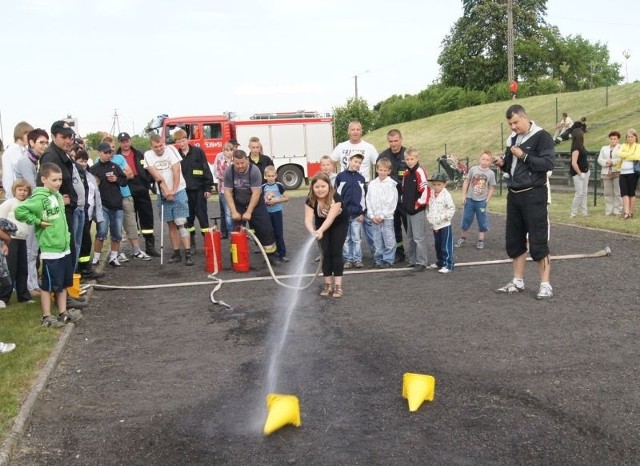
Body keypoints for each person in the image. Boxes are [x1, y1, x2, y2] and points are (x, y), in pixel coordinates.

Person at [493, 104, 556, 299]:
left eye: (515, 122)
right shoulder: (512, 138)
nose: (513, 127)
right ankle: (517, 281)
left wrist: (525, 155)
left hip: (534, 194)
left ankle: (545, 285)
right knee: (515, 239)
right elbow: (511, 167)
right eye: (510, 124)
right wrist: (502, 164)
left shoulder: (542, 136)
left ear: (524, 117)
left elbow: (547, 164)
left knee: (537, 239)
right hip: (514, 194)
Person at [15, 162, 82, 327]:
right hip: (50, 249)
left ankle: (63, 312)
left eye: (60, 179)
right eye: (54, 180)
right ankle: (46, 316)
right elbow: (20, 211)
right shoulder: (39, 198)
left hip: (63, 247)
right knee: (49, 285)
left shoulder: (58, 196)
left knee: (64, 283)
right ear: (44, 179)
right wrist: (37, 221)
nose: (58, 183)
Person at [145, 134, 194, 265]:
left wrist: (173, 190)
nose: (159, 148)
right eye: (156, 147)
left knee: (181, 222)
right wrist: (166, 191)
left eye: (161, 145)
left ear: (163, 143)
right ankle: (176, 252)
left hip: (179, 190)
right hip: (163, 193)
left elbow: (176, 170)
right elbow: (156, 175)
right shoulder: (148, 155)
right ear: (151, 146)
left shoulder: (171, 150)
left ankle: (188, 253)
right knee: (171, 223)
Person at [331, 120, 379, 255]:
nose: (355, 132)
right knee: (345, 225)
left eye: (358, 129)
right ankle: (342, 254)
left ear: (361, 131)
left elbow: (379, 164)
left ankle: (376, 253)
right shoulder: (341, 146)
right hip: (346, 188)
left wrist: (375, 183)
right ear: (348, 131)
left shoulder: (369, 147)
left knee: (367, 222)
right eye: (353, 129)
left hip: (363, 187)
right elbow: (331, 162)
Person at [223, 149, 278, 264]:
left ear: (246, 160)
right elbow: (227, 192)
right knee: (236, 230)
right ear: (233, 161)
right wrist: (234, 211)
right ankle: (235, 257)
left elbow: (256, 193)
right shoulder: (229, 171)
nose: (240, 166)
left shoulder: (254, 170)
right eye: (237, 163)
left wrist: (248, 212)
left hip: (256, 203)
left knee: (265, 228)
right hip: (238, 203)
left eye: (242, 163)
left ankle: (271, 256)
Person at [102, 136, 151, 262]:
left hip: (125, 194)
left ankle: (136, 250)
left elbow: (129, 174)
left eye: (113, 148)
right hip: (110, 198)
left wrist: (117, 177)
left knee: (131, 223)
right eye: (108, 149)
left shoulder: (120, 158)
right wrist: (121, 174)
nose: (111, 151)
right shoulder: (99, 161)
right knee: (116, 226)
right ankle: (118, 252)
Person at [38, 121, 78, 272]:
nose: (68, 140)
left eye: (70, 136)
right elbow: (43, 186)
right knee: (60, 255)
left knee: (68, 252)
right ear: (53, 137)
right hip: (57, 214)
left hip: (65, 211)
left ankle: (65, 290)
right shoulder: (51, 156)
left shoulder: (61, 154)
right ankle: (59, 291)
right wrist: (60, 200)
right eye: (64, 137)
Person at [304, 173, 349, 298]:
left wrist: (321, 231)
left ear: (328, 186)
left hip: (339, 223)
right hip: (321, 224)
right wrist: (312, 231)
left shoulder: (336, 198)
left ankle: (338, 286)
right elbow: (308, 219)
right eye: (317, 187)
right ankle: (328, 285)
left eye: (323, 186)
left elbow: (329, 219)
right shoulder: (310, 199)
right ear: (312, 188)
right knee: (325, 253)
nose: (320, 189)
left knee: (335, 251)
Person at [15, 128, 49, 296]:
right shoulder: (25, 162)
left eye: (46, 142)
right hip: (27, 210)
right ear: (31, 142)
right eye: (41, 142)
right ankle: (30, 285)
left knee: (34, 249)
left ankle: (33, 283)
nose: (44, 145)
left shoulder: (35, 161)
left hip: (34, 209)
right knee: (29, 250)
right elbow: (32, 188)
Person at [116, 132, 160, 257]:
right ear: (120, 142)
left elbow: (148, 169)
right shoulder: (117, 157)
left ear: (130, 141)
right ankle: (135, 249)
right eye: (122, 141)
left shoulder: (139, 154)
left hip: (141, 186)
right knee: (131, 220)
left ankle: (150, 247)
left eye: (127, 140)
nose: (125, 143)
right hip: (126, 187)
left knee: (147, 217)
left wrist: (150, 183)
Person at [174, 129, 214, 254]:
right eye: (179, 141)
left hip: (199, 191)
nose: (182, 143)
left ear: (187, 139)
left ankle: (208, 244)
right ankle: (192, 244)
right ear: (176, 143)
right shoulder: (176, 155)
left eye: (183, 140)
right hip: (184, 193)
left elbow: (206, 169)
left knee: (203, 219)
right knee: (188, 220)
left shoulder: (198, 152)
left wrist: (208, 188)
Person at [89, 143, 128, 268]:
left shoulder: (115, 166)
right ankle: (96, 258)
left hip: (117, 205)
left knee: (117, 233)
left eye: (109, 152)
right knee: (101, 232)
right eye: (105, 152)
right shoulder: (94, 168)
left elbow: (124, 182)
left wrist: (116, 179)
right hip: (103, 205)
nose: (108, 155)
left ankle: (113, 257)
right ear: (99, 152)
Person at [0, 180, 34, 304]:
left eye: (25, 190)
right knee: (10, 269)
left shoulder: (28, 205)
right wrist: (4, 242)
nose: (22, 193)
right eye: (20, 190)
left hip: (22, 240)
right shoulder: (8, 204)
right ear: (14, 191)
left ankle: (23, 296)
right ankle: (3, 297)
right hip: (10, 240)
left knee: (22, 269)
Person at [377, 129, 408, 263]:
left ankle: (414, 253)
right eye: (391, 141)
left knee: (410, 227)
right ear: (388, 141)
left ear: (401, 139)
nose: (394, 144)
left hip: (406, 198)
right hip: (389, 201)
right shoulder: (383, 156)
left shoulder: (408, 155)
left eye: (396, 141)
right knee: (394, 228)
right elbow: (378, 179)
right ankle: (399, 253)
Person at [73, 150, 105, 279]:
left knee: (86, 242)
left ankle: (85, 266)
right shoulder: (75, 175)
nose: (83, 163)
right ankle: (80, 269)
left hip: (90, 213)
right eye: (80, 161)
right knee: (81, 241)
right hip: (80, 212)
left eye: (85, 161)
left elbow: (95, 195)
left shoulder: (90, 176)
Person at [456, 150, 497, 249]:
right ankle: (463, 238)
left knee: (482, 220)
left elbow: (492, 188)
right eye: (483, 159)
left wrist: (487, 200)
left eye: (487, 160)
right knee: (466, 218)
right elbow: (466, 182)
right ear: (480, 159)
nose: (485, 161)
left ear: (490, 161)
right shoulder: (473, 169)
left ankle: (480, 240)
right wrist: (463, 196)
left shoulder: (491, 173)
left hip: (481, 201)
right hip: (469, 200)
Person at [401, 147, 430, 272]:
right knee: (411, 237)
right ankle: (412, 260)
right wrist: (405, 203)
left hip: (417, 210)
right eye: (407, 159)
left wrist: (418, 204)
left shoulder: (420, 172)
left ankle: (421, 262)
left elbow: (425, 190)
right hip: (408, 210)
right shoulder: (406, 173)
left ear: (416, 158)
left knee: (419, 237)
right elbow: (403, 189)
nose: (409, 161)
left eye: (412, 159)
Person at [335, 153, 366, 269]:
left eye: (359, 163)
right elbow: (336, 196)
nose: (357, 164)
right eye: (355, 161)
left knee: (357, 238)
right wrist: (338, 211)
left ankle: (357, 259)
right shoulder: (340, 177)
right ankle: (348, 259)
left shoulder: (361, 179)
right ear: (349, 160)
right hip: (343, 215)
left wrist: (363, 213)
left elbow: (364, 197)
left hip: (357, 215)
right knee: (346, 239)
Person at [365, 157, 397, 268]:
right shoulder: (372, 184)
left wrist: (383, 215)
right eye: (381, 170)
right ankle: (378, 259)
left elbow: (392, 202)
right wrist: (372, 215)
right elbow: (368, 200)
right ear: (377, 170)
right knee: (377, 240)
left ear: (389, 171)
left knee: (388, 239)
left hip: (387, 218)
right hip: (374, 217)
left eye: (385, 170)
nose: (382, 172)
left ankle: (388, 259)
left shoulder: (391, 184)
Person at [426, 173, 455, 273]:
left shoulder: (446, 195)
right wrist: (430, 217)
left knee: (445, 245)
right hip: (435, 225)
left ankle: (448, 265)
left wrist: (441, 218)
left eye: (439, 184)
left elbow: (451, 209)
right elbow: (430, 207)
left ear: (444, 184)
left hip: (444, 225)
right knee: (437, 245)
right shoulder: (431, 194)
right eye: (434, 184)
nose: (436, 187)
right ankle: (440, 261)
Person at [262, 166, 289, 262]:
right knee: (269, 234)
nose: (270, 178)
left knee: (279, 233)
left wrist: (276, 200)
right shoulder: (263, 187)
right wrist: (265, 201)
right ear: (265, 176)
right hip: (267, 214)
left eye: (272, 176)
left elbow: (286, 198)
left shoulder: (279, 185)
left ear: (276, 176)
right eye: (268, 176)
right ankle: (271, 254)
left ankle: (282, 254)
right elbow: (259, 199)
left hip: (277, 212)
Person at [2, 121, 33, 200]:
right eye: (28, 134)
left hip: (27, 196)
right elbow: (8, 179)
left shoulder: (26, 152)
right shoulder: (9, 153)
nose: (30, 138)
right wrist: (12, 198)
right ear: (21, 133)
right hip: (15, 198)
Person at [597, 131, 622, 216]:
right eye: (611, 139)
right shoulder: (604, 148)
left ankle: (617, 210)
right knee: (607, 192)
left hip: (617, 171)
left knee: (617, 192)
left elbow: (621, 158)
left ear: (618, 139)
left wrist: (613, 162)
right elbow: (599, 159)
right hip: (606, 172)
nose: (612, 140)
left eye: (614, 139)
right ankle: (608, 210)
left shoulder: (621, 148)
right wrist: (606, 162)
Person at [618, 128, 640, 219]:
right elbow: (620, 154)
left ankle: (631, 212)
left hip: (632, 173)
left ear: (635, 137)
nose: (630, 138)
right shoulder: (623, 145)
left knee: (631, 193)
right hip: (623, 173)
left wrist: (626, 154)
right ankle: (626, 212)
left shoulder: (638, 146)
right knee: (624, 193)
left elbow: (637, 156)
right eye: (628, 137)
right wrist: (630, 154)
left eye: (632, 137)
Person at [214, 143, 234, 238]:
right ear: (223, 151)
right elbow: (219, 174)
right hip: (223, 190)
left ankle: (231, 232)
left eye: (230, 150)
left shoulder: (235, 161)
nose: (229, 153)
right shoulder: (220, 161)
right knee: (227, 212)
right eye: (226, 150)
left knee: (231, 212)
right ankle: (230, 233)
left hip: (235, 191)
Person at [569, 128, 590, 217]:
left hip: (585, 170)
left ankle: (584, 212)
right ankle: (573, 213)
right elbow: (574, 162)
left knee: (584, 192)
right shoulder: (576, 148)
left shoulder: (582, 146)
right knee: (579, 193)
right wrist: (579, 173)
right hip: (579, 173)